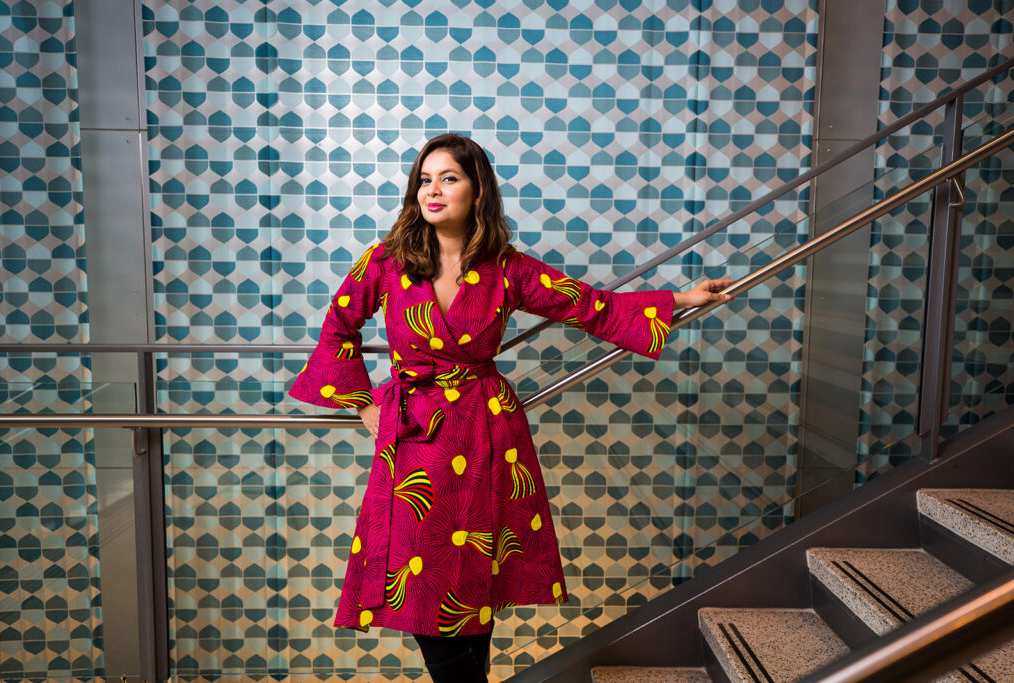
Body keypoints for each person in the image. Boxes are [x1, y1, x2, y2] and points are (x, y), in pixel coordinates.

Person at [288, 133, 733, 682]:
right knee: (421, 570)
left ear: (478, 191)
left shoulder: (508, 268)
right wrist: (363, 407)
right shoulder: (387, 260)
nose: (433, 190)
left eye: (449, 178)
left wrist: (683, 299)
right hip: (415, 437)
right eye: (425, 179)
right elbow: (338, 326)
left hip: (486, 432)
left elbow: (590, 306)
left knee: (475, 569)